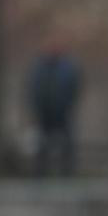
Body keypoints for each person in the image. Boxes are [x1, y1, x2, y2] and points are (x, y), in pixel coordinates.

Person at [28, 37, 81, 177]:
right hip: (44, 113)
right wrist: (37, 108)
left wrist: (68, 105)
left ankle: (67, 174)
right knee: (41, 145)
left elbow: (75, 87)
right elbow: (33, 89)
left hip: (63, 112)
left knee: (67, 145)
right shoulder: (39, 67)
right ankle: (40, 174)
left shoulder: (68, 68)